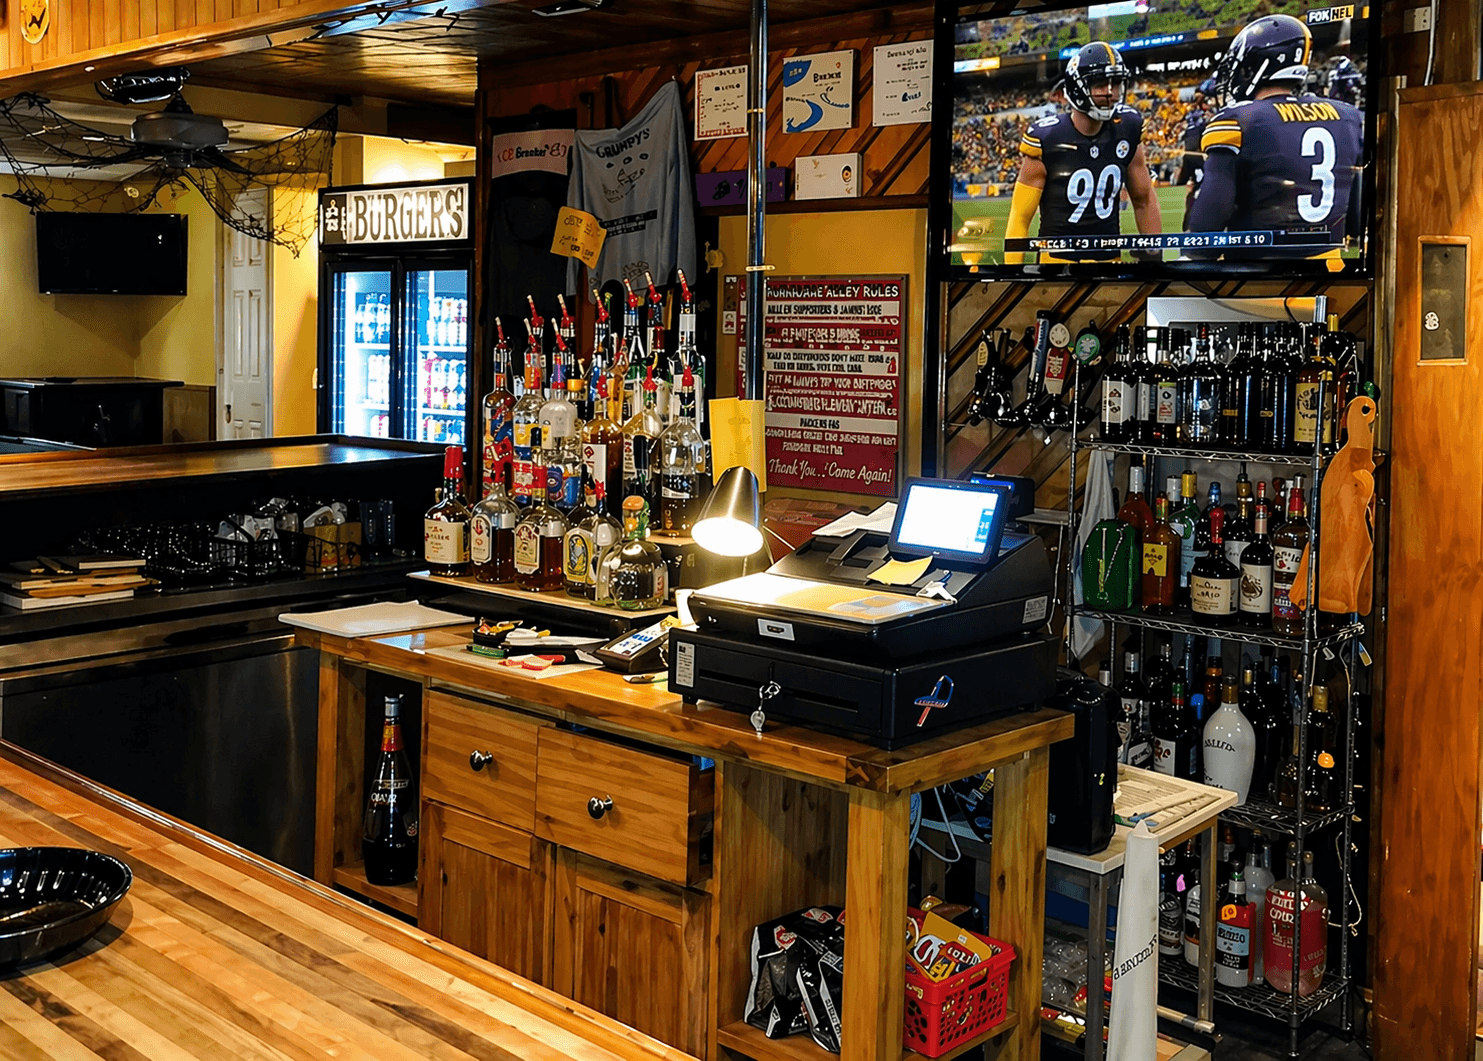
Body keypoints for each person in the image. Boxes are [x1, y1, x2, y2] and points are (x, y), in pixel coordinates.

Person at [1185, 15, 1365, 259]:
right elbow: (1355, 219)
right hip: (1329, 274)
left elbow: (1207, 228)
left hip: (1257, 281)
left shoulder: (1239, 119)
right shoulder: (1347, 116)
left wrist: (1191, 258)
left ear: (1253, 67)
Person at [1004, 42, 1161, 264]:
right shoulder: (1048, 137)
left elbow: (1143, 199)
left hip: (1109, 261)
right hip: (1057, 265)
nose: (1111, 93)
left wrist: (1154, 255)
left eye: (1115, 84)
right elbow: (1020, 217)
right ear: (1077, 88)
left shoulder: (1128, 127)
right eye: (1100, 84)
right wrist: (1012, 273)